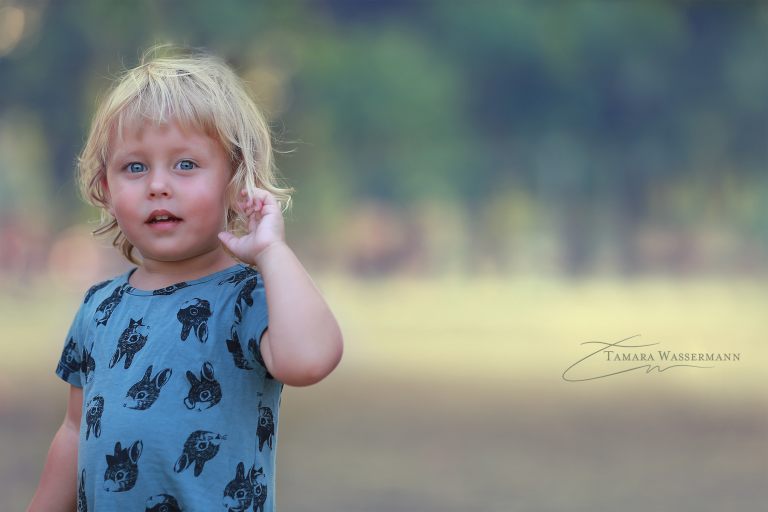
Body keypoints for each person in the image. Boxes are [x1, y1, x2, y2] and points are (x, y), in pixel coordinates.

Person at [28, 47, 344, 512]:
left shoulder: (247, 298)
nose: (158, 184)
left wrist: (272, 252)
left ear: (237, 182)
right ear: (105, 188)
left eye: (185, 165)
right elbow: (75, 430)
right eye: (135, 167)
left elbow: (311, 360)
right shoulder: (99, 307)